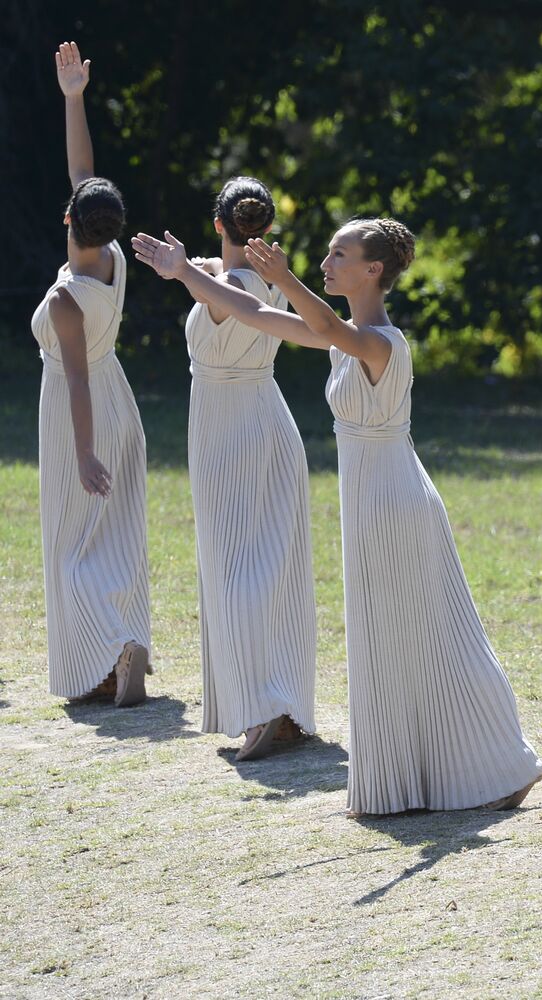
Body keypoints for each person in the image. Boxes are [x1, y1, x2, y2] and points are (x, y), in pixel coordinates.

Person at [131, 221, 542, 814]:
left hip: (398, 507)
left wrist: (286, 278)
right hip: (370, 508)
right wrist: (185, 274)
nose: (328, 260)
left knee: (439, 639)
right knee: (398, 644)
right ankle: (428, 776)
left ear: (373, 270)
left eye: (340, 254)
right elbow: (254, 311)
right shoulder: (345, 337)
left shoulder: (381, 342)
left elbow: (322, 323)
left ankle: (504, 764)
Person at [179, 177, 316, 761]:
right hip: (267, 418)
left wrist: (179, 265)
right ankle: (276, 702)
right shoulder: (260, 278)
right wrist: (191, 264)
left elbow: (215, 283)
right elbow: (218, 273)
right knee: (275, 569)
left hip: (226, 428)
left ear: (220, 223)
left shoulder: (223, 284)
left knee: (234, 566)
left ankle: (261, 710)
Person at [31, 41, 151, 707]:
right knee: (116, 528)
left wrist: (81, 453)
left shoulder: (64, 296)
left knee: (71, 539)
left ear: (68, 219)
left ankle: (110, 653)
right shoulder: (110, 260)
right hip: (119, 396)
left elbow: (73, 381)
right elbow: (85, 174)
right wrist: (74, 98)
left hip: (77, 408)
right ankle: (120, 643)